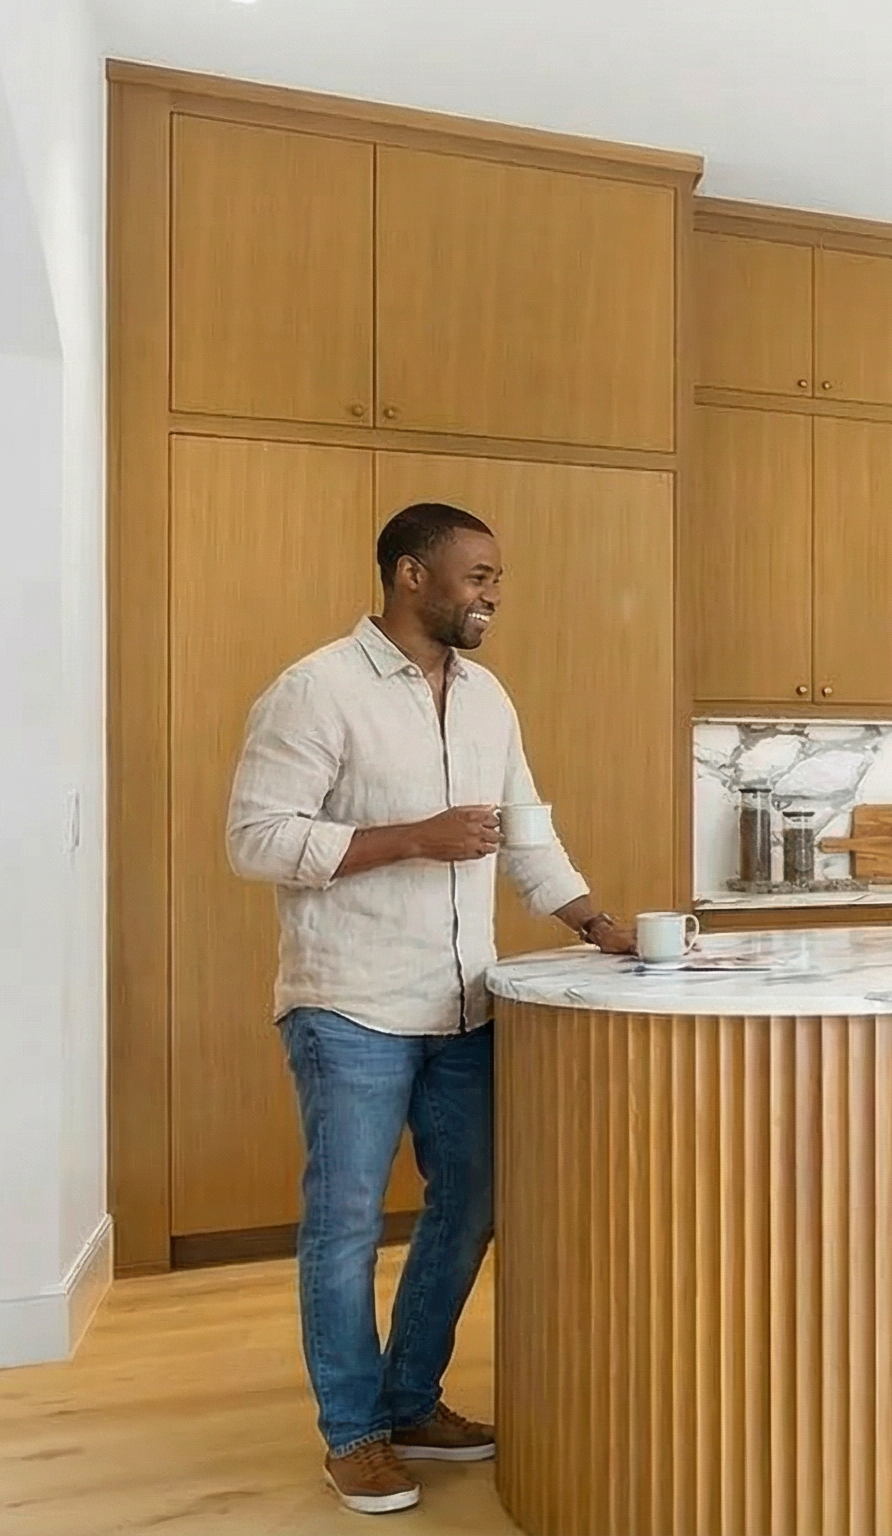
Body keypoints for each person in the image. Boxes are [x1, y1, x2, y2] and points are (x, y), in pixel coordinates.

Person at [227, 502, 636, 1515]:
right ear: (410, 575)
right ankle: (355, 1434)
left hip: (463, 1007)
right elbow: (256, 840)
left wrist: (599, 925)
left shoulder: (489, 698)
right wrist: (413, 837)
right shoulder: (316, 690)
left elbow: (525, 835)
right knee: (346, 1229)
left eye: (497, 577)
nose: (493, 593)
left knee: (472, 1207)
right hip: (349, 1005)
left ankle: (410, 1402)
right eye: (477, 575)